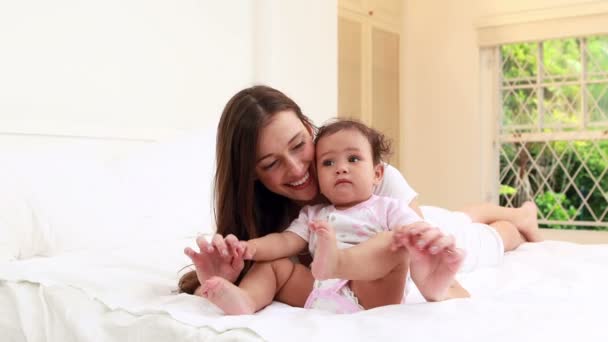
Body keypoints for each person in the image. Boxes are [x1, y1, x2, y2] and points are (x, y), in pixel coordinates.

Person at [179, 85, 543, 310]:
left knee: (482, 232)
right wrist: (220, 278)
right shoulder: (275, 214)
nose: (295, 169)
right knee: (460, 214)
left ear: (309, 127)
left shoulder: (367, 178)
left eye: (298, 145)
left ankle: (521, 218)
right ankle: (516, 215)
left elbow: (422, 259)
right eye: (272, 163)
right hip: (370, 261)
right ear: (252, 176)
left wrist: (443, 288)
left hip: (432, 231)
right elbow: (267, 265)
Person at [191, 119, 467, 314]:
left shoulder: (388, 207)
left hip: (371, 293)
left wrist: (424, 239)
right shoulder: (314, 213)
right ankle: (246, 301)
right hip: (318, 290)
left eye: (353, 159)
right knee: (275, 264)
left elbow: (417, 232)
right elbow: (286, 241)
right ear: (317, 174)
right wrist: (250, 247)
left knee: (394, 242)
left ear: (377, 174)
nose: (341, 169)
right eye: (328, 163)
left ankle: (338, 261)